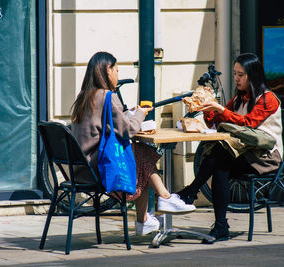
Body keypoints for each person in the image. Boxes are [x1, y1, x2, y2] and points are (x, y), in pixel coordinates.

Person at [71, 51, 196, 236]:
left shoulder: (84, 96)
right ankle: (164, 198)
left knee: (138, 158)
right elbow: (128, 131)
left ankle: (145, 220)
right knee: (140, 153)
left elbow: (109, 124)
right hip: (100, 170)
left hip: (81, 169)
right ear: (108, 69)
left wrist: (129, 114)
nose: (117, 75)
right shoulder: (106, 96)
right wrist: (140, 114)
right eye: (117, 70)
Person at [177, 53, 283, 242]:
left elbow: (247, 123)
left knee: (219, 158)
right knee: (220, 165)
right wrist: (207, 108)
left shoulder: (268, 99)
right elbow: (218, 122)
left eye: (240, 75)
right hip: (245, 154)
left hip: (266, 158)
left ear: (252, 75)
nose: (236, 78)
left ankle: (191, 192)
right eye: (235, 74)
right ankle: (219, 225)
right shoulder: (238, 99)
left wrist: (220, 110)